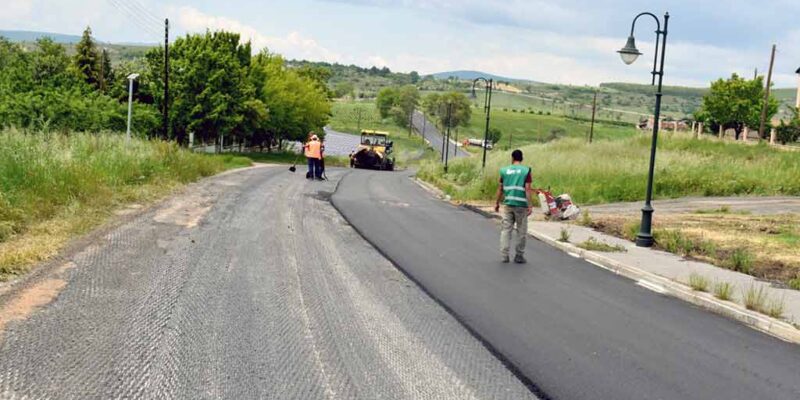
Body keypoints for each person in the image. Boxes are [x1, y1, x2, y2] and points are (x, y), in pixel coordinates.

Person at [494, 149, 533, 264]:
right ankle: (519, 256)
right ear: (522, 159)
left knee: (506, 230)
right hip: (521, 206)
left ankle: (504, 255)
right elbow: (527, 189)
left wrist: (496, 203)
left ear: (512, 158)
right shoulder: (526, 171)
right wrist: (530, 205)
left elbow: (500, 188)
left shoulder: (504, 171)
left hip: (508, 204)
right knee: (521, 231)